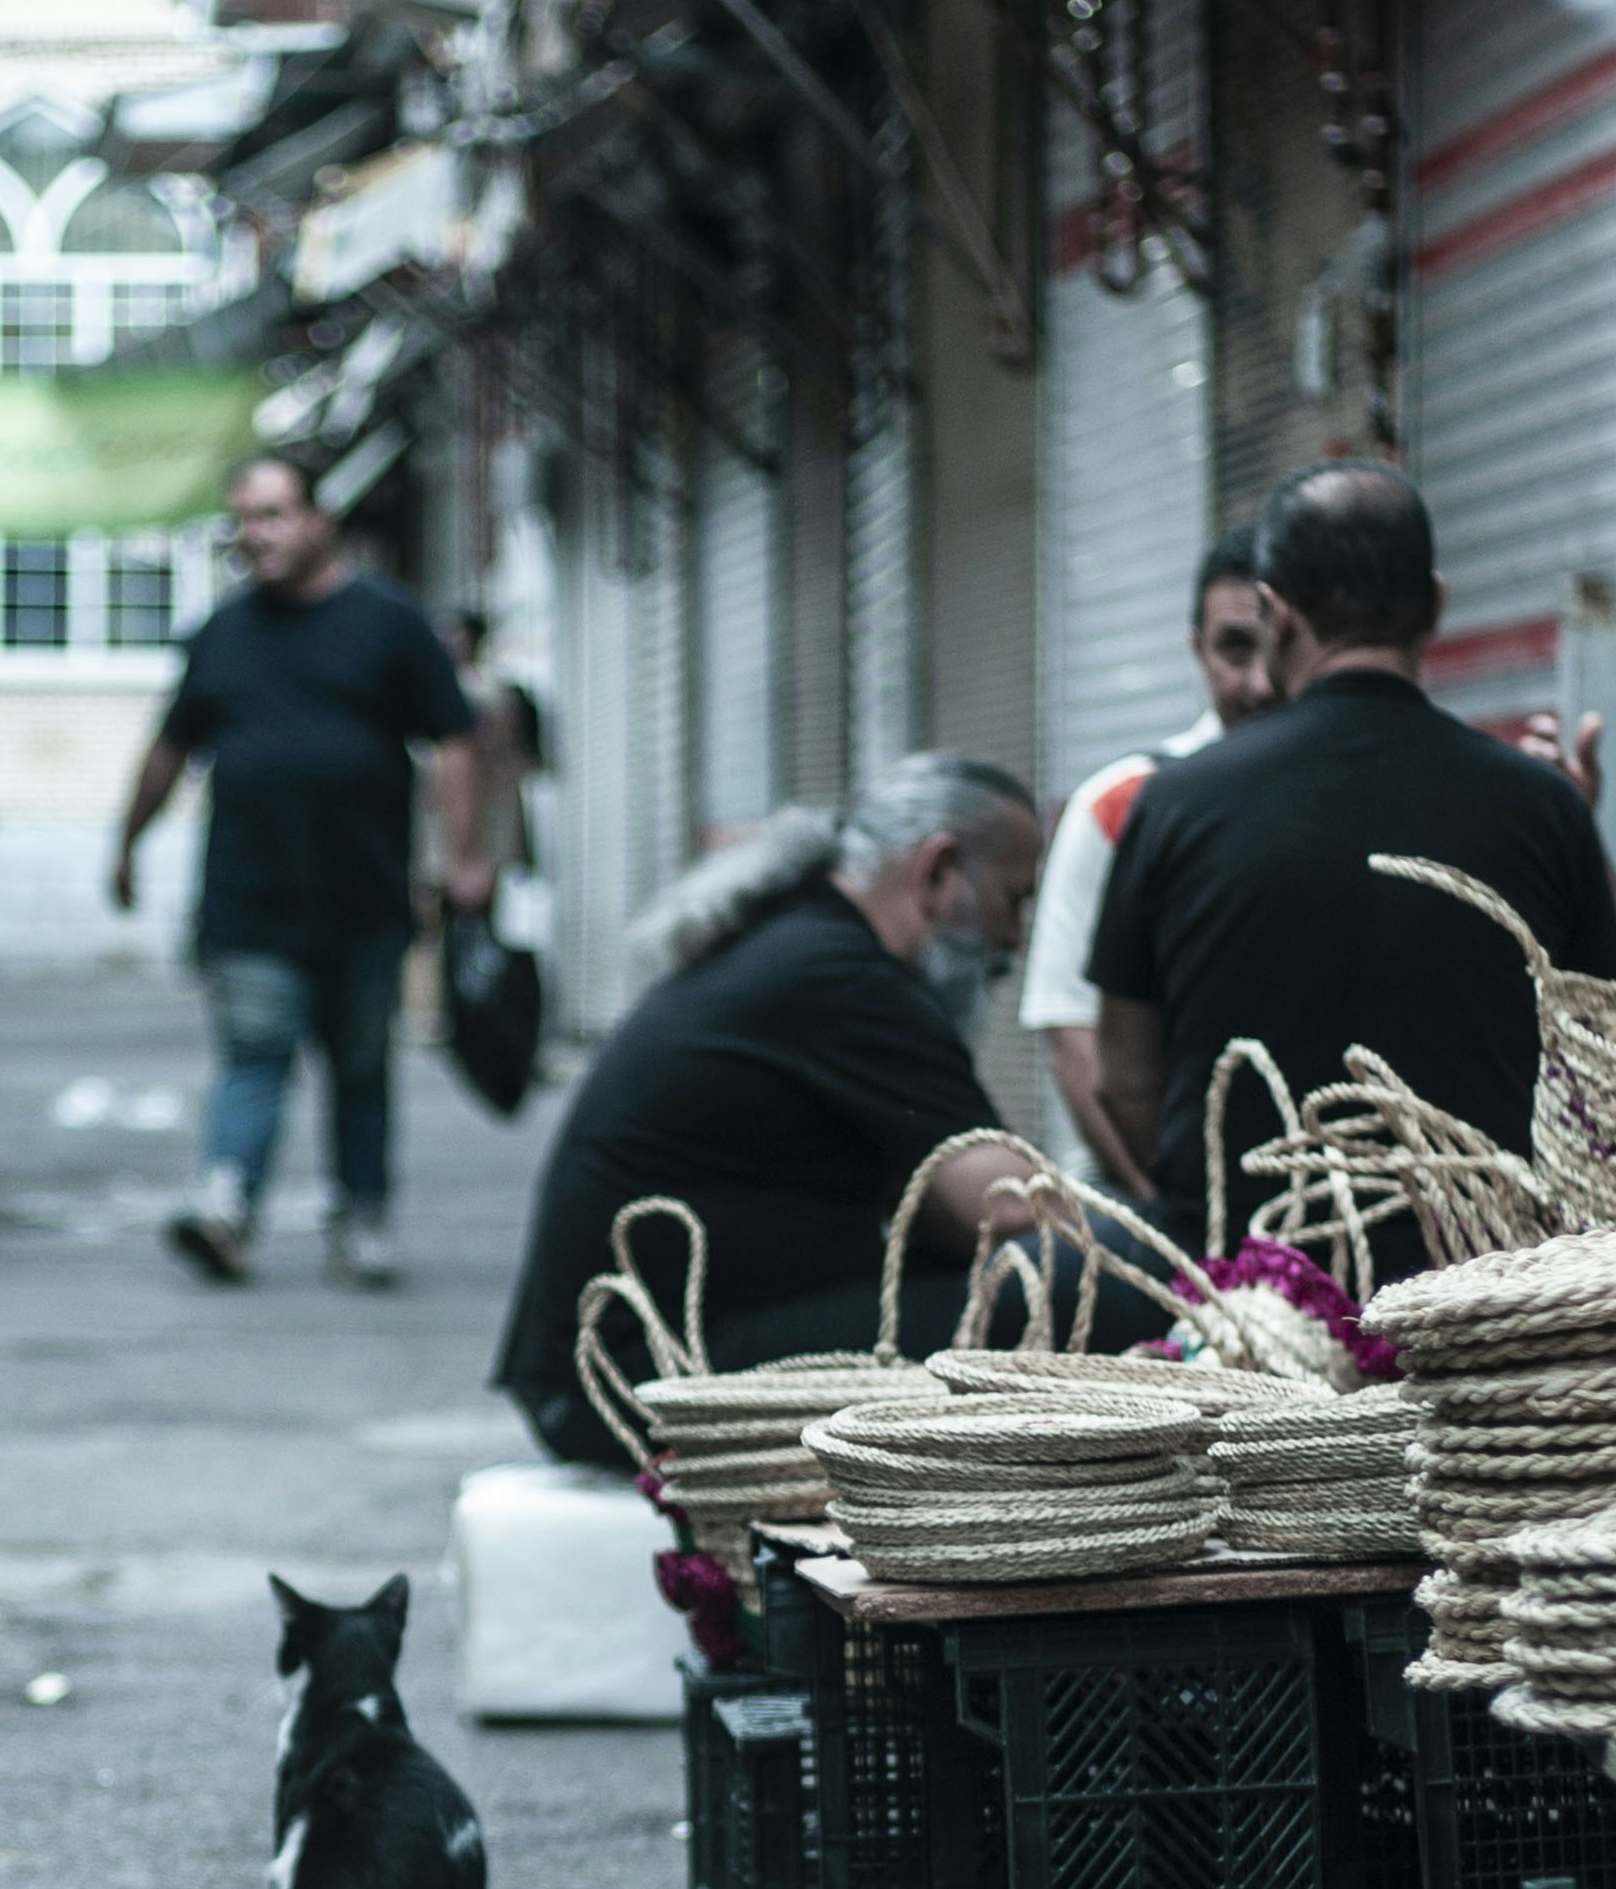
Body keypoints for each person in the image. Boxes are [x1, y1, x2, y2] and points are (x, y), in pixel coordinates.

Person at [1090, 459, 1616, 1268]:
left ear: (1275, 613)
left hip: (1249, 1291)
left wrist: (1218, 1215)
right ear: (1436, 606)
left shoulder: (1172, 804)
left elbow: (1123, 1077)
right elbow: (1604, 1061)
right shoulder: (1543, 804)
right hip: (1483, 1294)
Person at [493, 764, 1069, 1474]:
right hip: (637, 1385)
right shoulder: (847, 977)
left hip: (600, 1372)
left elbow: (946, 1216)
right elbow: (1012, 1208)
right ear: (938, 873)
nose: (1015, 940)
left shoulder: (798, 939)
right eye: (1014, 901)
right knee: (1071, 1287)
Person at [111, 455, 481, 1289]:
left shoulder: (390, 624)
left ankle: (363, 1216)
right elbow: (172, 747)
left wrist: (461, 860)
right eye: (244, 518)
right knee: (255, 1050)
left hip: (364, 896)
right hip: (250, 897)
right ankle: (226, 1207)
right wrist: (128, 842)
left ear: (321, 519)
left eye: (274, 514)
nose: (256, 534)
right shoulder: (223, 633)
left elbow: (453, 743)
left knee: (360, 1068)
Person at [1018, 527, 1274, 1197]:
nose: (1259, 682)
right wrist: (1178, 1220)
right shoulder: (1123, 805)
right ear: (1197, 650)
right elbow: (1075, 1039)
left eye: (1275, 646)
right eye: (1233, 648)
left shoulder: (1354, 796)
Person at [445, 603, 548, 891]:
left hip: (492, 786)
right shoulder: (444, 685)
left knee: (488, 860)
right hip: (446, 790)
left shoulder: (494, 688)